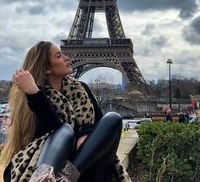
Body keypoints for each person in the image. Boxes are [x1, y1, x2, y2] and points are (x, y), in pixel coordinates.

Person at [1, 41, 131, 182]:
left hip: (87, 169)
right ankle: (42, 178)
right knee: (65, 131)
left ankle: (66, 176)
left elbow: (101, 125)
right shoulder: (34, 98)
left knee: (113, 118)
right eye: (58, 56)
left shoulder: (82, 89)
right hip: (50, 164)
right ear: (46, 68)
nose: (66, 57)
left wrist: (86, 132)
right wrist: (34, 93)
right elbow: (52, 132)